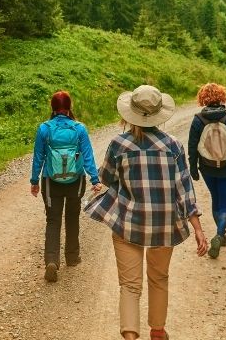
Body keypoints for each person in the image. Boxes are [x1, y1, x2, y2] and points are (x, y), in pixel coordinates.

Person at [86, 85, 209, 340]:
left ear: (129, 113)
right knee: (159, 278)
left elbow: (107, 178)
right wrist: (198, 229)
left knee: (130, 286)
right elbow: (185, 190)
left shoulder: (119, 145)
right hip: (164, 225)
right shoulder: (173, 146)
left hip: (128, 224)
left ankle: (130, 336)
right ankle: (157, 331)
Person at [29, 91, 102, 282]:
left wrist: (34, 181)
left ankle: (52, 260)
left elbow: (38, 157)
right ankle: (72, 257)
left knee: (53, 221)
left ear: (52, 108)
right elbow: (88, 156)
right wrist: (95, 179)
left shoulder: (44, 129)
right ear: (70, 107)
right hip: (75, 181)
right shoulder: (79, 129)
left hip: (50, 181)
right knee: (72, 217)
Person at [187, 83, 226, 259]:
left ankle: (222, 234)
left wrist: (193, 168)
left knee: (216, 199)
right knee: (225, 204)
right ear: (222, 96)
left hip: (207, 166)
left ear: (203, 98)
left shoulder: (198, 119)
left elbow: (192, 147)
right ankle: (220, 234)